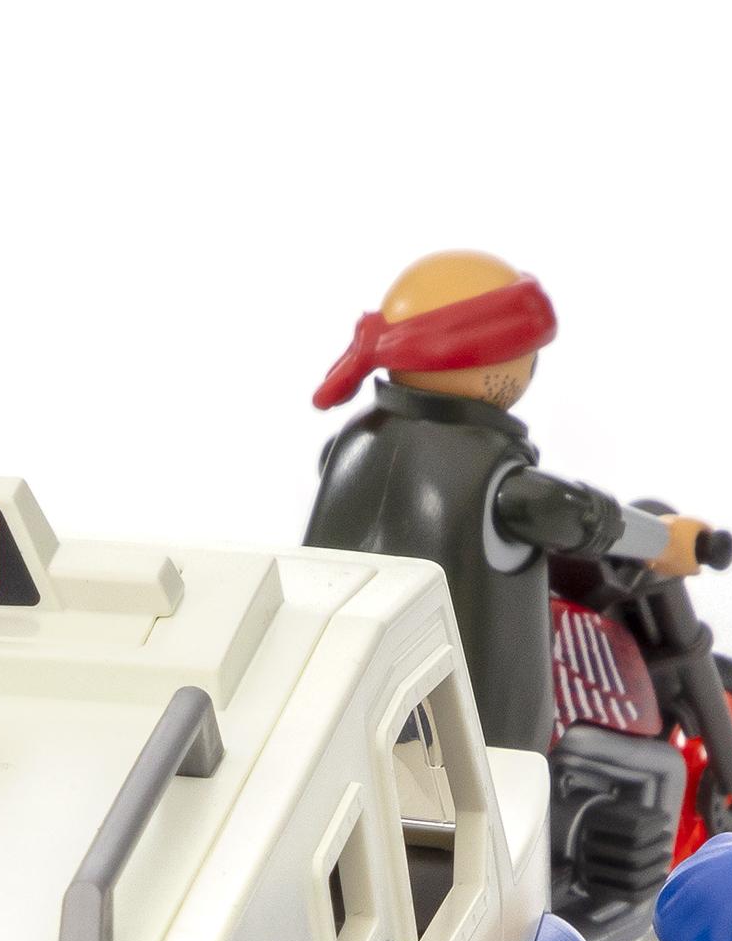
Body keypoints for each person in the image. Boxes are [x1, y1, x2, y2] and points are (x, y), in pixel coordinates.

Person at [301, 250, 709, 752]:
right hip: (476, 740)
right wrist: (667, 540)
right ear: (490, 364)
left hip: (341, 705)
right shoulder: (495, 478)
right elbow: (587, 517)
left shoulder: (352, 444)